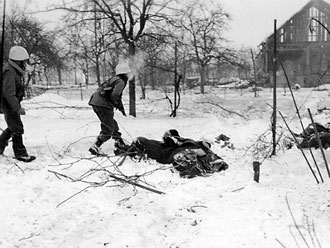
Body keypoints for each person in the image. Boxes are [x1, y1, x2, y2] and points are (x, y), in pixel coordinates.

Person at [0, 45, 36, 162]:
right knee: (17, 127)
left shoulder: (14, 70)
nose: (24, 64)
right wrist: (17, 107)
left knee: (12, 126)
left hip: (10, 103)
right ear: (18, 61)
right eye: (23, 61)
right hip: (8, 103)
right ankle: (20, 153)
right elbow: (9, 93)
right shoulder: (10, 71)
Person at [88, 62, 132, 155]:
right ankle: (95, 146)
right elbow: (115, 95)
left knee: (112, 124)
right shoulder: (121, 81)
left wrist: (119, 106)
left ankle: (120, 144)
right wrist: (117, 104)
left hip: (96, 102)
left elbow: (114, 95)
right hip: (103, 104)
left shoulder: (114, 79)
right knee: (108, 128)